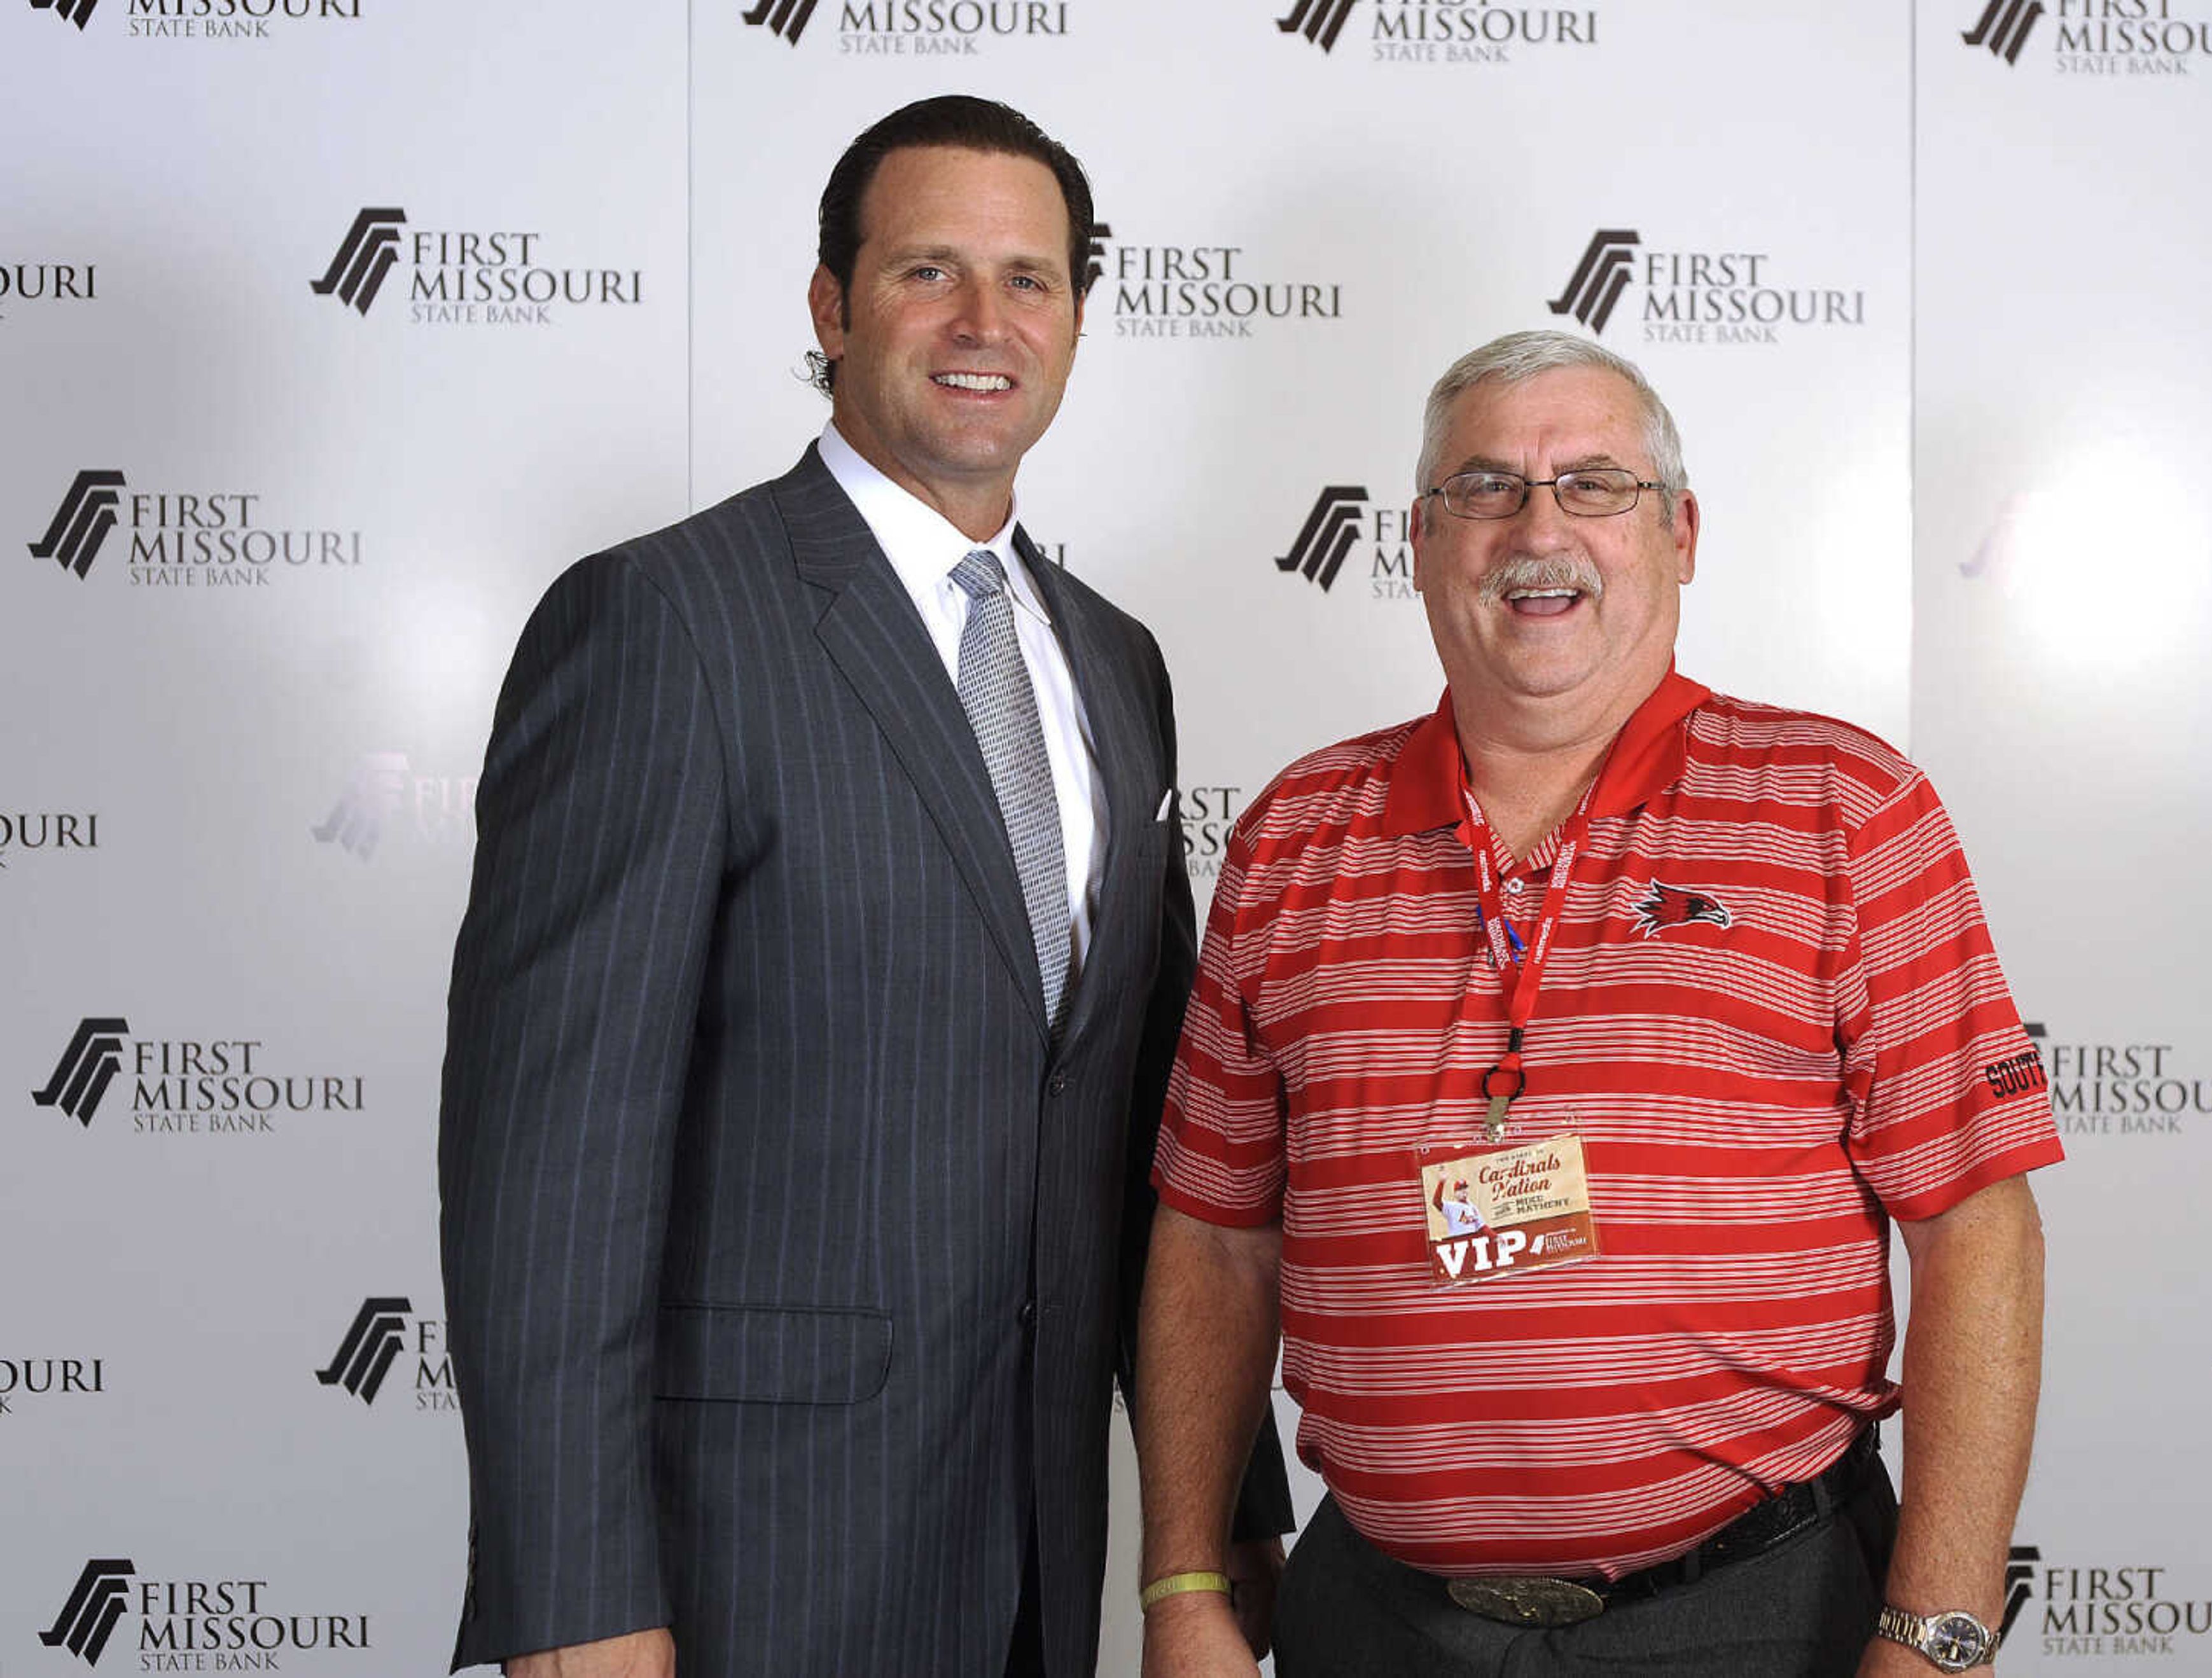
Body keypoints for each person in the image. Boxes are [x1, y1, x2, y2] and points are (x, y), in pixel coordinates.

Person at [437, 96, 1286, 1678]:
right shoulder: (662, 624)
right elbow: (547, 1167)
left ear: (1080, 321)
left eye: (1031, 280)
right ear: (831, 306)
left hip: (1041, 1545)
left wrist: (1220, 1512)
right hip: (742, 1563)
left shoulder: (1115, 661)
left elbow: (1158, 1132)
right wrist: (571, 1596)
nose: (986, 323)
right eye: (928, 273)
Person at [1132, 330, 2061, 1677]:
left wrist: (1939, 1635)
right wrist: (1181, 1576)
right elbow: (1215, 1240)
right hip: (1376, 1622)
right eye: (1488, 487)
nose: (1540, 527)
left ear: (1680, 532)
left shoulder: (1842, 811)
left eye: (1597, 485)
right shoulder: (1292, 836)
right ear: (1418, 537)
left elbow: (1981, 1231)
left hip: (1755, 1616)